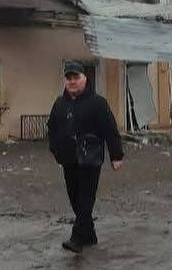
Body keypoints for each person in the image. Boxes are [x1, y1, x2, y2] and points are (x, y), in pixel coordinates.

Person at [47, 61, 124, 253]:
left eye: (76, 77)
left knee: (85, 199)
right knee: (74, 197)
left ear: (85, 79)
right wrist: (55, 149)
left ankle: (77, 239)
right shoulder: (60, 103)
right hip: (68, 159)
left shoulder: (97, 103)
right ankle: (89, 235)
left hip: (90, 159)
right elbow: (52, 128)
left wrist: (116, 155)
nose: (72, 81)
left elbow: (110, 129)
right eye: (69, 78)